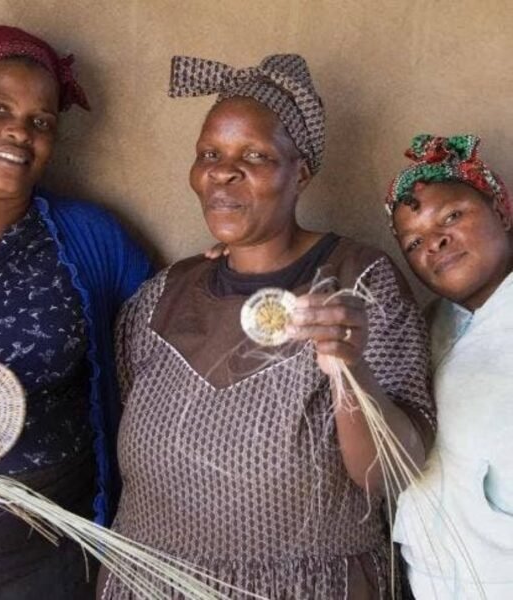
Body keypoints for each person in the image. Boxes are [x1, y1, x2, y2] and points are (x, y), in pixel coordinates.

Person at [97, 54, 435, 599]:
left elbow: (388, 473)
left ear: (299, 173)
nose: (223, 172)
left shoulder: (358, 282)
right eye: (210, 154)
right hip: (151, 583)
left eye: (254, 155)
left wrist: (348, 370)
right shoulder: (160, 297)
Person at [0, 25, 151, 599]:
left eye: (41, 121)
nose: (20, 131)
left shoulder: (92, 240)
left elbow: (169, 331)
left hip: (54, 548)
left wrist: (235, 263)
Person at [387, 135, 513, 599]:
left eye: (452, 217)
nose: (435, 242)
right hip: (433, 580)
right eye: (413, 242)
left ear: (502, 211)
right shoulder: (427, 328)